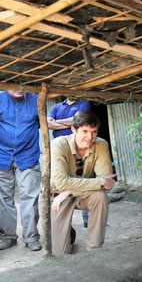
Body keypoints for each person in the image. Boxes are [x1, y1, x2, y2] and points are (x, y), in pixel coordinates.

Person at [0, 88, 42, 251]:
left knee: (30, 198)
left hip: (28, 156)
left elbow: (40, 124)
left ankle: (31, 237)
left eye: (23, 83)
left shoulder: (36, 100)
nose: (19, 87)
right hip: (0, 155)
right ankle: (8, 237)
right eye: (13, 83)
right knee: (4, 199)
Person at [50, 111, 115, 255]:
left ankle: (95, 250)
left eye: (94, 132)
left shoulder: (101, 144)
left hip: (82, 195)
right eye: (85, 131)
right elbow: (60, 183)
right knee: (59, 254)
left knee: (100, 196)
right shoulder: (58, 144)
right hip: (57, 197)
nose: (90, 137)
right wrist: (98, 182)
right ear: (73, 129)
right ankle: (67, 233)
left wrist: (70, 191)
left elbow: (106, 183)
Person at [47, 97, 91, 227]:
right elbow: (48, 124)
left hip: (79, 148)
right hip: (60, 150)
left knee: (83, 178)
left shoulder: (84, 103)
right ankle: (64, 222)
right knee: (60, 183)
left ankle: (87, 219)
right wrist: (71, 121)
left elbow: (80, 121)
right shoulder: (56, 107)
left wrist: (57, 122)